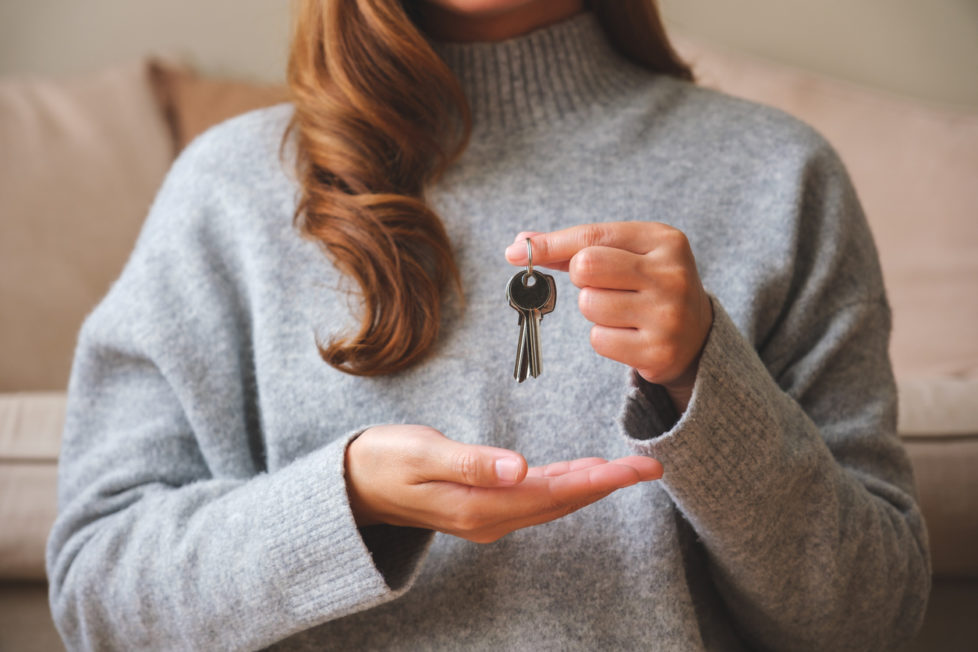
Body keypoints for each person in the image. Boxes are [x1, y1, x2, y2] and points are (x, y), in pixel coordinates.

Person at [46, 0, 931, 649]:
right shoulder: (229, 190)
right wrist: (347, 501)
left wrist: (707, 377)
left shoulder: (782, 177)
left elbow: (868, 618)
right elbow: (97, 594)